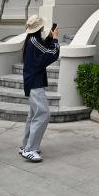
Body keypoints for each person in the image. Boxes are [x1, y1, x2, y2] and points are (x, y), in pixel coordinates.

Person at [20, 15, 60, 163]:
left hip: (32, 82)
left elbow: (42, 49)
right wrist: (55, 40)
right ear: (40, 27)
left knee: (33, 116)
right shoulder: (34, 41)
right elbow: (50, 54)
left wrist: (50, 38)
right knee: (43, 114)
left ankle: (26, 146)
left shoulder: (32, 39)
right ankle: (30, 149)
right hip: (34, 83)